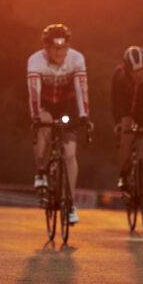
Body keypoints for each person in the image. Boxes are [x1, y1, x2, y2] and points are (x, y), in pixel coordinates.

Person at [26, 23, 94, 225]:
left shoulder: (76, 58)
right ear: (46, 48)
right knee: (45, 124)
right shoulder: (35, 60)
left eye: (63, 48)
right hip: (45, 104)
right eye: (55, 48)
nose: (59, 53)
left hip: (67, 106)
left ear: (68, 46)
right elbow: (34, 92)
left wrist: (84, 115)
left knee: (70, 155)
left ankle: (70, 203)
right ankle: (41, 172)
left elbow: (82, 89)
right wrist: (36, 116)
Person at [111, 46, 143, 218]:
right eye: (135, 72)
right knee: (127, 133)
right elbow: (114, 101)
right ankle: (123, 174)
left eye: (141, 71)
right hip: (125, 114)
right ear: (128, 70)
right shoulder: (119, 75)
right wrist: (118, 122)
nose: (139, 75)